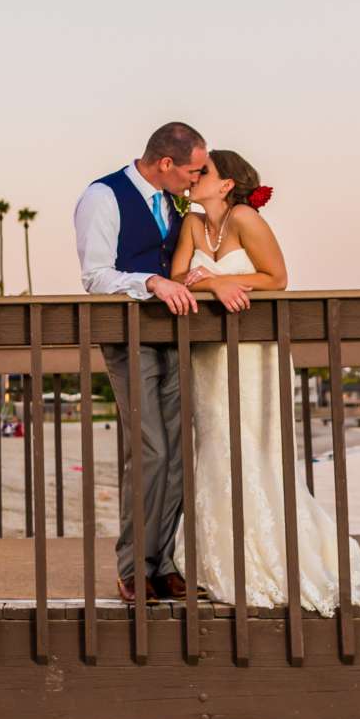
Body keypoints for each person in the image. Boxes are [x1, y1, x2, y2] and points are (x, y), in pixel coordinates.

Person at [171, 149, 360, 614]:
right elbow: (178, 277)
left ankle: (274, 552)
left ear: (226, 184)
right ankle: (219, 558)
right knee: (218, 445)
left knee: (257, 447)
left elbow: (277, 278)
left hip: (252, 353)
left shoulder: (245, 217)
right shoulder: (192, 224)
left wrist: (224, 279)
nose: (192, 177)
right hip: (209, 357)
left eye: (203, 172)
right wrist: (212, 283)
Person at [73, 120, 208, 603]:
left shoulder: (174, 201)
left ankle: (163, 563)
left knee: (176, 452)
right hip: (128, 338)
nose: (198, 179)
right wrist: (150, 283)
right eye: (193, 171)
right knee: (149, 449)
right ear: (166, 163)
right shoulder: (102, 197)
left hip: (176, 336)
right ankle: (132, 567)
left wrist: (187, 277)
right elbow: (96, 276)